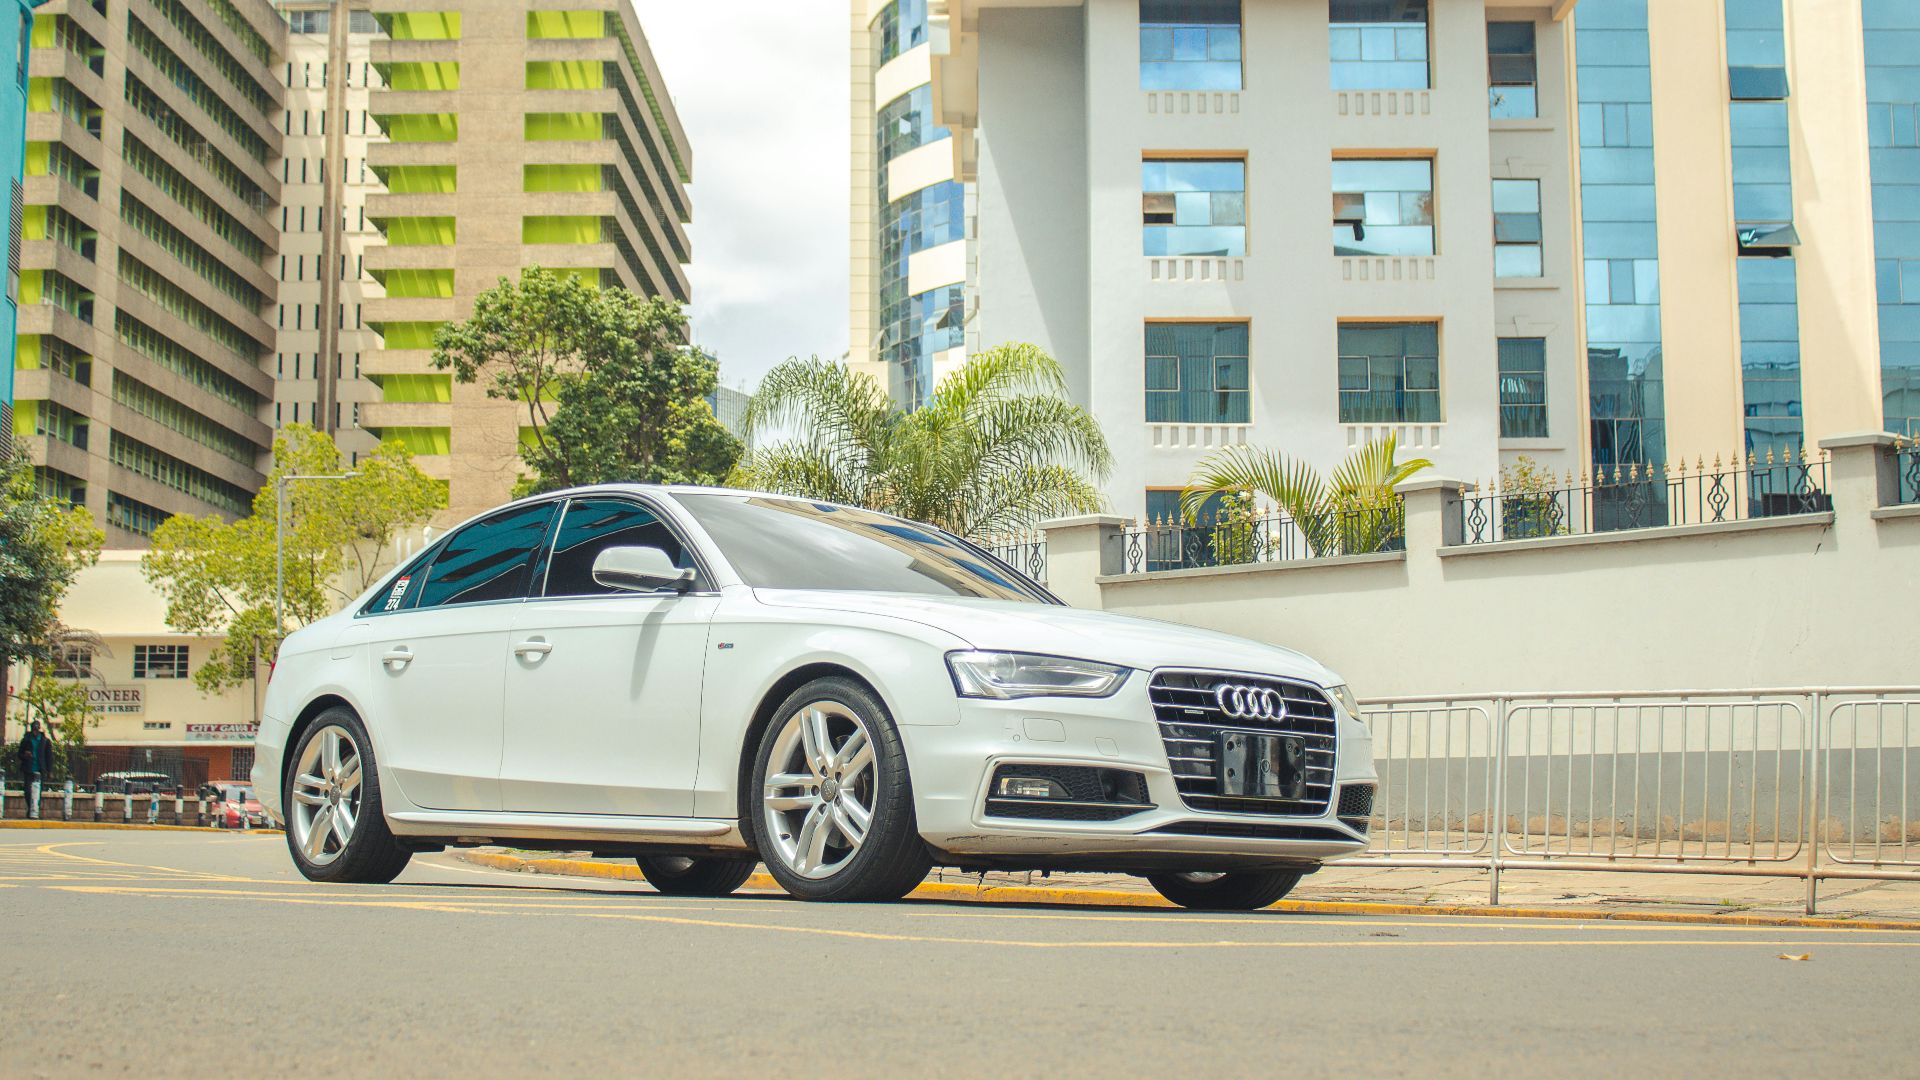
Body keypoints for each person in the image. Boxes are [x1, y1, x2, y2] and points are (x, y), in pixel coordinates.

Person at [17, 721, 52, 821]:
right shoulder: (26, 740)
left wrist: (49, 771)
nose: (35, 732)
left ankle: (35, 810)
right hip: (28, 769)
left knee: (38, 792)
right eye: (33, 730)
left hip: (40, 770)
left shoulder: (45, 741)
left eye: (36, 729)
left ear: (39, 729)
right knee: (27, 791)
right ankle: (30, 808)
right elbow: (19, 754)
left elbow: (49, 757)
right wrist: (25, 755)